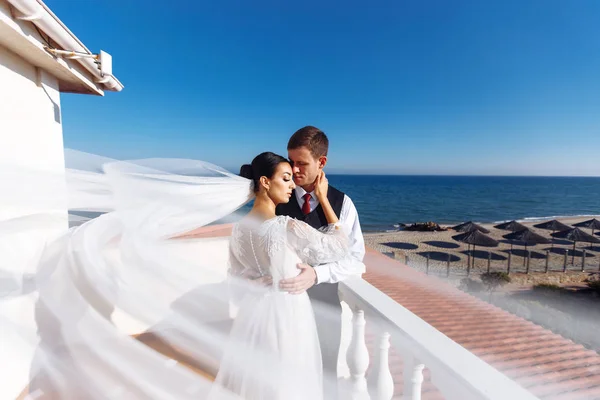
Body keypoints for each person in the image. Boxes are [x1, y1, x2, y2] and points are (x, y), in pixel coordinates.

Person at [209, 151, 364, 400]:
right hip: (287, 315)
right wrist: (323, 198)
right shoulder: (286, 226)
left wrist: (254, 283)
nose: (293, 185)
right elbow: (340, 245)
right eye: (286, 178)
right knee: (287, 384)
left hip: (252, 318)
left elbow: (235, 282)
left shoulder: (238, 229)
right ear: (265, 182)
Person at [276, 126, 365, 395]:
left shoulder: (343, 204)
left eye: (301, 163)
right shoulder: (278, 198)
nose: (293, 170)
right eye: (290, 161)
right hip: (282, 307)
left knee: (326, 379)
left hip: (324, 311)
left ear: (321, 162)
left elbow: (355, 260)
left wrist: (316, 275)